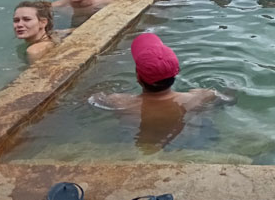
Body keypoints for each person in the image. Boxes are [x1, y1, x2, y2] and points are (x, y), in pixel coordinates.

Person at [89, 33, 223, 151]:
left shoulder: (118, 102)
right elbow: (228, 98)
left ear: (138, 77)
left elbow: (91, 98)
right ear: (175, 73)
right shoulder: (201, 97)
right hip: (187, 145)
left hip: (133, 145)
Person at [13, 0, 58, 64]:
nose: (19, 25)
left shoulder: (33, 51)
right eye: (16, 20)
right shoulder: (53, 37)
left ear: (43, 22)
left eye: (27, 19)